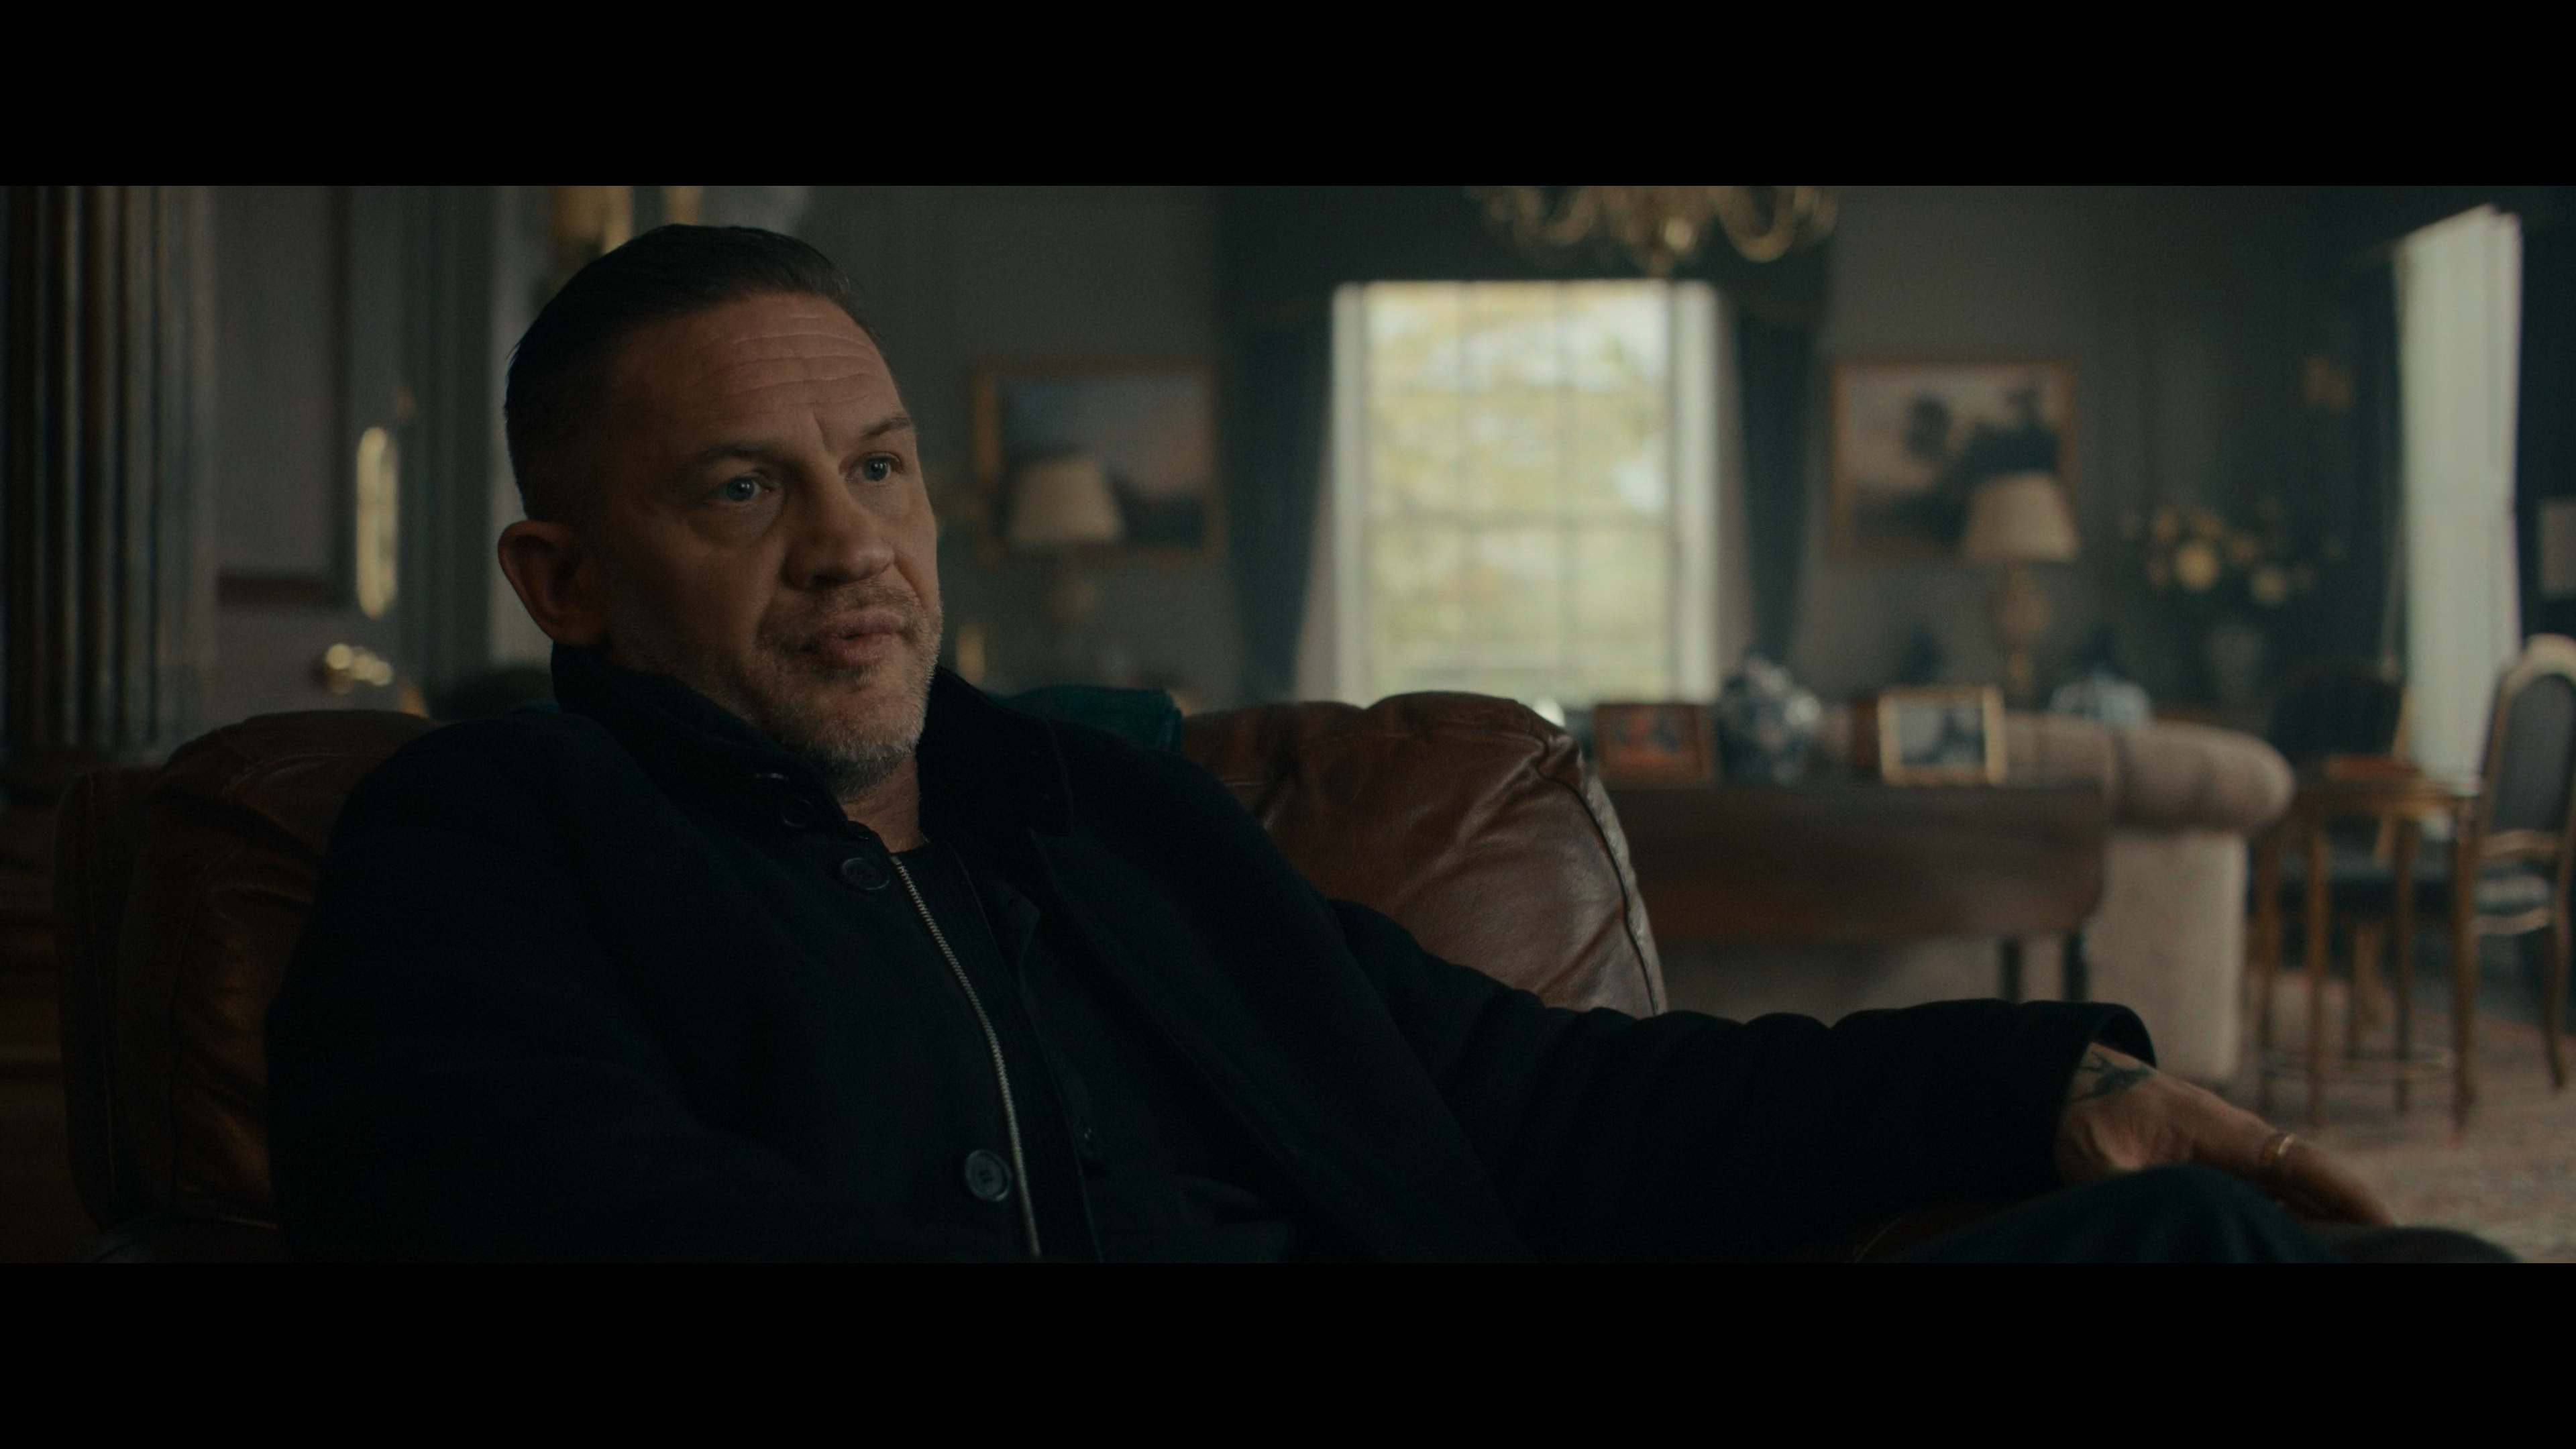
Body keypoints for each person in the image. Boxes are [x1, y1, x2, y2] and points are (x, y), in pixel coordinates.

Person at [265, 225, 2397, 1262]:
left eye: (884, 467)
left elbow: (1557, 1100)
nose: (855, 547)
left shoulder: (1114, 823)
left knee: (2194, 1239)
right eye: (745, 489)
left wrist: (2048, 1089)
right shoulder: (490, 840)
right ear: (562, 578)